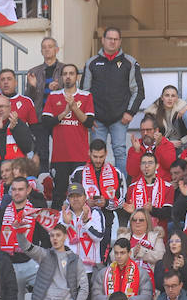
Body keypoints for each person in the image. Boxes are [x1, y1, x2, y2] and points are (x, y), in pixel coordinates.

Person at [82, 27, 145, 166]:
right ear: (103, 40)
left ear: (120, 41)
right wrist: (89, 117)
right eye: (109, 38)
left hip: (120, 118)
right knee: (96, 154)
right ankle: (97, 186)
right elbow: (84, 92)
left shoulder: (130, 62)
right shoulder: (91, 63)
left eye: (116, 39)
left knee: (120, 152)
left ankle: (121, 186)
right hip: (97, 120)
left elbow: (138, 91)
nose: (112, 42)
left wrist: (130, 112)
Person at [41, 65, 96, 208]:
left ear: (76, 77)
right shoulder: (53, 96)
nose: (68, 76)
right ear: (61, 77)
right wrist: (64, 113)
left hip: (80, 156)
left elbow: (89, 123)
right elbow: (46, 122)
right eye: (65, 73)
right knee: (58, 195)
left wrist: (74, 108)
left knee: (79, 195)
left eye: (71, 73)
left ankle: (79, 227)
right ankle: (56, 228)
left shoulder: (85, 96)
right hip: (60, 156)